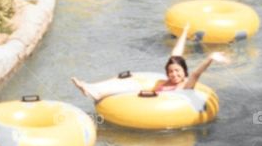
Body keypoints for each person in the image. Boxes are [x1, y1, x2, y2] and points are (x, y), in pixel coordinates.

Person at [71, 24, 229, 101]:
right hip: (145, 101)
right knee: (128, 77)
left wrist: (210, 58)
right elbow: (176, 54)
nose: (173, 74)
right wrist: (185, 33)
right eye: (171, 71)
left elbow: (196, 73)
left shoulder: (186, 85)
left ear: (184, 72)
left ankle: (94, 90)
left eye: (177, 71)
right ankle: (93, 88)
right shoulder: (167, 80)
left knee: (130, 86)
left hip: (161, 109)